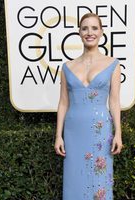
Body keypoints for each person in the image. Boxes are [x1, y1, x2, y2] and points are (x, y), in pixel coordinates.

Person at [55, 12, 123, 200]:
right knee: (74, 180)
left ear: (101, 32)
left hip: (99, 131)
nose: (89, 32)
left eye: (94, 28)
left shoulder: (113, 64)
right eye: (85, 28)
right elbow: (62, 103)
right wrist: (58, 136)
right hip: (72, 131)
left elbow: (115, 101)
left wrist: (118, 133)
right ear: (79, 32)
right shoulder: (67, 67)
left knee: (99, 182)